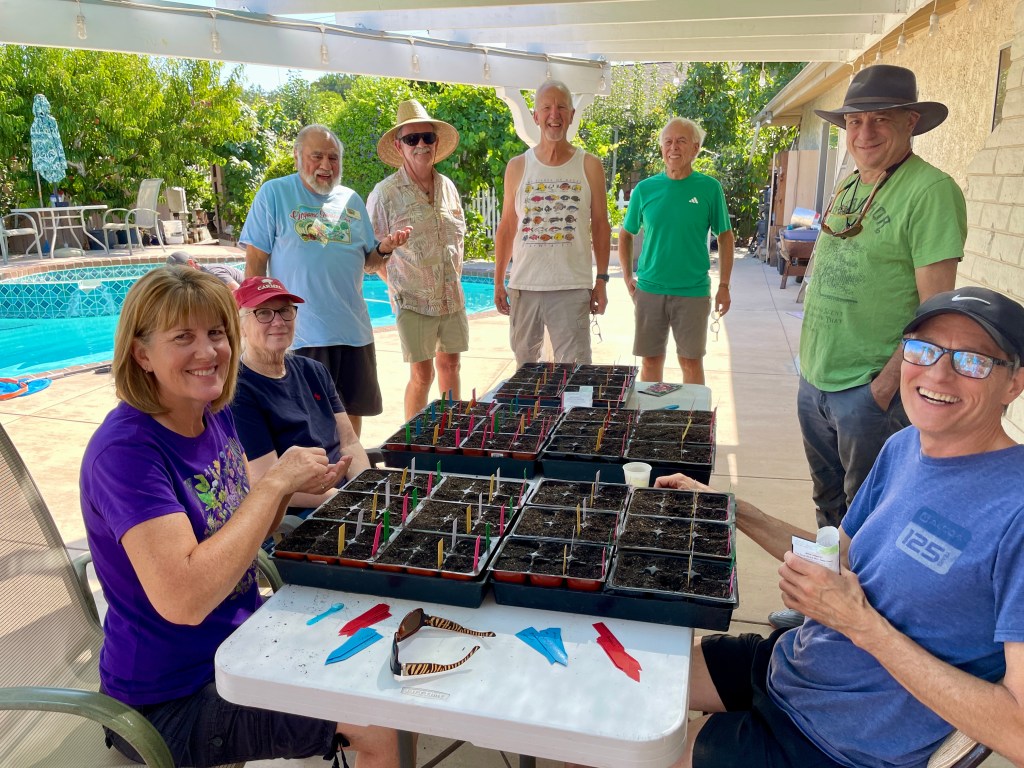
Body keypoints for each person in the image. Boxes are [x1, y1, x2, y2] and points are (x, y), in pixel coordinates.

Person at [646, 287, 1024, 768]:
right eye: (924, 349)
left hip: (834, 743)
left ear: (1014, 384)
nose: (938, 373)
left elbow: (1018, 733)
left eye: (972, 360)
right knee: (624, 682)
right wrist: (730, 510)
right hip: (796, 667)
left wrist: (859, 624)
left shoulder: (1014, 509)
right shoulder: (904, 446)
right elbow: (836, 556)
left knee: (617, 746)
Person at [79, 266, 400, 767]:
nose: (208, 352)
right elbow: (185, 600)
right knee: (376, 723)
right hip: (168, 700)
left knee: (386, 660)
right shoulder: (127, 453)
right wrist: (272, 484)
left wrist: (284, 490)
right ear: (142, 354)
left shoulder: (212, 413)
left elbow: (243, 534)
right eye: (183, 337)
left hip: (241, 644)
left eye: (216, 333)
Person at [798, 65, 966, 532]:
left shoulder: (931, 191)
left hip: (869, 389)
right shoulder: (851, 183)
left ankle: (857, 584)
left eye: (880, 119)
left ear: (911, 122)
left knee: (869, 516)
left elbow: (938, 311)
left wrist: (885, 386)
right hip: (816, 377)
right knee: (827, 500)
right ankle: (824, 580)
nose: (865, 132)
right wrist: (809, 366)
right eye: (855, 121)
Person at [239, 124, 411, 437]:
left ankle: (349, 467)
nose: (326, 165)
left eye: (333, 158)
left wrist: (385, 249)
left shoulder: (351, 200)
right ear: (297, 156)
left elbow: (369, 263)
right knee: (304, 421)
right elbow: (255, 263)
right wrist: (253, 320)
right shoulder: (275, 194)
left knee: (351, 414)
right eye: (316, 156)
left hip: (352, 331)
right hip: (301, 334)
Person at [493, 80, 611, 366]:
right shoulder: (517, 166)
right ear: (536, 116)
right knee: (526, 373)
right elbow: (507, 226)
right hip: (525, 287)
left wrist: (602, 279)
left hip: (572, 287)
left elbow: (600, 225)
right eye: (546, 108)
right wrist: (498, 281)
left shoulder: (589, 165)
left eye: (561, 107)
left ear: (571, 115)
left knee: (575, 373)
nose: (554, 114)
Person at [230, 275, 371, 513]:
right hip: (303, 509)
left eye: (285, 311)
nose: (278, 322)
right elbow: (268, 484)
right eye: (263, 313)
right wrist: (350, 502)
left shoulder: (313, 370)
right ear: (241, 326)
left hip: (347, 495)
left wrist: (367, 491)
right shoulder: (239, 391)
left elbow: (349, 443)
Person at [367, 100, 469, 420]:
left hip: (451, 296)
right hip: (412, 300)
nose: (421, 144)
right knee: (422, 375)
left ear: (436, 142)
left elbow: (458, 241)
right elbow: (369, 258)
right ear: (399, 146)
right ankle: (413, 440)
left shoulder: (448, 187)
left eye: (427, 137)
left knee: (451, 366)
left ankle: (450, 431)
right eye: (412, 139)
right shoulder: (384, 194)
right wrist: (394, 285)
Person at [618, 117, 734, 385]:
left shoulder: (709, 188)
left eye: (681, 141)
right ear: (661, 148)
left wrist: (724, 285)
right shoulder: (645, 189)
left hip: (693, 291)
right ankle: (649, 412)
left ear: (695, 148)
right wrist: (627, 277)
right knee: (650, 361)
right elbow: (625, 234)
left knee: (691, 362)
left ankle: (694, 414)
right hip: (650, 290)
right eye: (668, 142)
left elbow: (725, 237)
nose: (673, 147)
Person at [166, 250, 243, 289]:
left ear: (191, 263)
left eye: (179, 271)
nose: (178, 276)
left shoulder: (213, 274)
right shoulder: (200, 278)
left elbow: (238, 291)